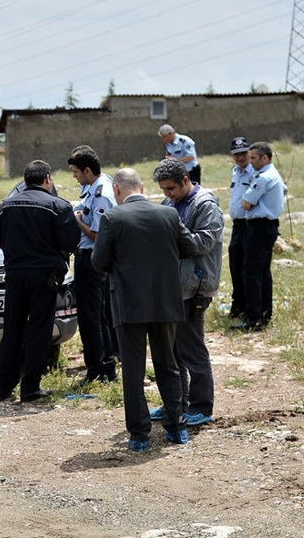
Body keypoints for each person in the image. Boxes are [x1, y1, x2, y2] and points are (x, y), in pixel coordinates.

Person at [91, 168, 197, 452]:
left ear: (116, 189)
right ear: (141, 187)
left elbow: (99, 261)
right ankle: (176, 427)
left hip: (128, 304)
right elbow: (188, 246)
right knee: (168, 366)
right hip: (165, 301)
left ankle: (139, 435)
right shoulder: (168, 214)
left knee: (133, 371)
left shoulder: (111, 218)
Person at [0, 160, 79, 402]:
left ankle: (4, 388)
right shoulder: (58, 206)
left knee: (12, 330)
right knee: (39, 330)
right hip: (44, 278)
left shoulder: (6, 205)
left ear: (26, 180)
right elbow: (70, 242)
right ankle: (30, 387)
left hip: (15, 275)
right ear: (47, 179)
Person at [152, 159, 223, 427]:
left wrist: (172, 228)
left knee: (191, 349)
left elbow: (203, 243)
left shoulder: (205, 205)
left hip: (194, 288)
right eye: (163, 189)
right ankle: (175, 402)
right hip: (172, 288)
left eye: (171, 188)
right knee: (171, 351)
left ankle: (201, 405)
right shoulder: (169, 204)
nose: (167, 194)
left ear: (185, 180)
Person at [68, 146, 118, 384]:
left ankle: (98, 369)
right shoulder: (97, 186)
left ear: (87, 170)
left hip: (92, 259)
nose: (74, 176)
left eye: (76, 172)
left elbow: (98, 234)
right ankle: (105, 366)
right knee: (98, 315)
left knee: (91, 317)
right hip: (90, 258)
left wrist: (77, 221)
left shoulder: (102, 194)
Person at [232, 142, 286, 331]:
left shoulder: (264, 177)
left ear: (265, 158)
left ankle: (253, 317)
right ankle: (264, 312)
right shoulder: (271, 174)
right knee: (262, 272)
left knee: (251, 272)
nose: (250, 161)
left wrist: (249, 201)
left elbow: (246, 203)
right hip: (266, 227)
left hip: (259, 228)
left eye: (254, 158)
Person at [227, 137, 255, 320]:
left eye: (244, 153)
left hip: (250, 224)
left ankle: (248, 306)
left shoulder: (256, 171)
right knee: (235, 264)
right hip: (237, 226)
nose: (241, 157)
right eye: (237, 154)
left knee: (248, 267)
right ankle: (237, 303)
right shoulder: (235, 171)